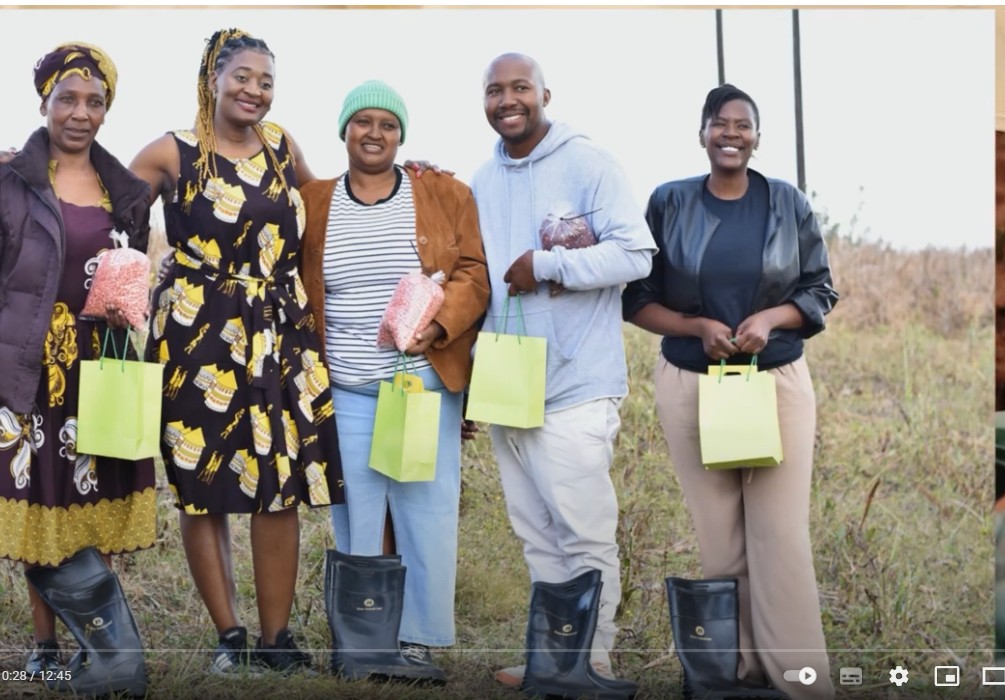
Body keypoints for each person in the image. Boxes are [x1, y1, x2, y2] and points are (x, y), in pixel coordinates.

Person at [125, 28, 346, 674]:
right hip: (197, 333)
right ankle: (231, 637)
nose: (254, 90)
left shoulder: (281, 148)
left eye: (266, 81)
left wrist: (399, 178)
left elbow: (330, 204)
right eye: (242, 77)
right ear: (213, 78)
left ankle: (277, 642)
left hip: (280, 331)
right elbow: (107, 206)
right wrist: (25, 170)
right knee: (206, 483)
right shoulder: (173, 151)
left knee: (276, 483)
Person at [0, 42, 153, 696]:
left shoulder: (129, 195)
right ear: (45, 103)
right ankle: (44, 647)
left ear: (106, 110)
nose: (80, 112)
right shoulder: (6, 183)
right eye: (68, 98)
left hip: (101, 374)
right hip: (25, 372)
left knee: (90, 504)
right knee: (38, 507)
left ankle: (106, 650)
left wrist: (130, 306)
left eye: (94, 101)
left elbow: (134, 276)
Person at [621, 84, 839, 700]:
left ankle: (799, 682)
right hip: (690, 385)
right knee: (720, 538)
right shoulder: (668, 203)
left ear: (757, 138)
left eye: (743, 125)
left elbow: (821, 290)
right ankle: (736, 676)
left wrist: (770, 320)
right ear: (702, 134)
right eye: (720, 124)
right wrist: (696, 328)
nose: (731, 134)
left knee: (781, 537)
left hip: (775, 385)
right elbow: (636, 298)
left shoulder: (787, 204)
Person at [470, 53, 655, 695]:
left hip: (577, 384)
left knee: (583, 531)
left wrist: (548, 265)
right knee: (536, 534)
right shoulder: (481, 181)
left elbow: (636, 253)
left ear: (546, 93)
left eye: (520, 87)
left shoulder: (590, 163)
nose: (507, 99)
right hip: (505, 385)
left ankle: (593, 663)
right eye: (495, 90)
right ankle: (552, 662)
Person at [298, 79, 490, 683]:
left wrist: (438, 328)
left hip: (420, 385)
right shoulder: (314, 200)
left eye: (386, 123)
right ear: (344, 132)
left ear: (401, 134)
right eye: (362, 122)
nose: (374, 133)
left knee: (424, 510)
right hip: (348, 387)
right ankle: (360, 638)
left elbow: (473, 274)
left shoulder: (441, 192)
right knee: (356, 513)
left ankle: (418, 640)